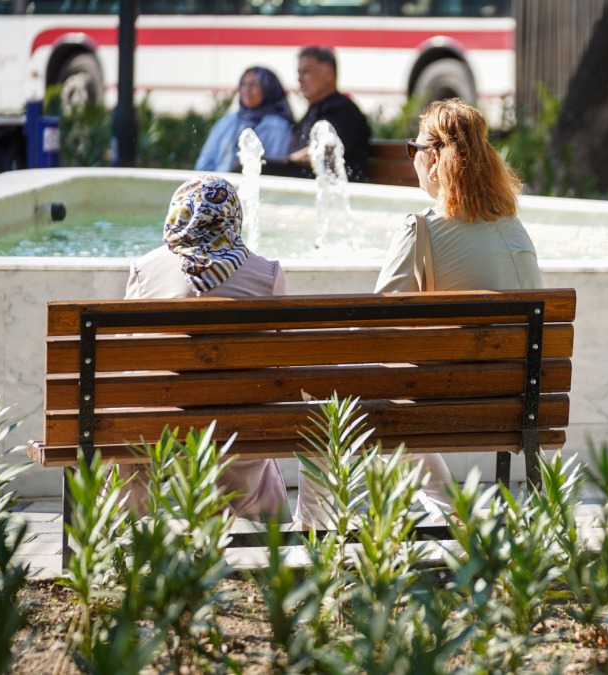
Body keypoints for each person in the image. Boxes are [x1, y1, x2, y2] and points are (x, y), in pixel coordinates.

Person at [295, 98, 543, 527]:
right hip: (523, 404)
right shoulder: (513, 226)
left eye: (414, 150)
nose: (412, 160)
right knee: (400, 390)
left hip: (446, 404)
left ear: (432, 158)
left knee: (326, 395)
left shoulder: (422, 227)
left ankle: (312, 528)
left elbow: (374, 333)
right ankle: (453, 512)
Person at [120, 175, 290, 520]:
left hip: (158, 440)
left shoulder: (145, 270)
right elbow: (282, 362)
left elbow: (124, 361)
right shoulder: (267, 274)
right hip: (241, 443)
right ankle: (269, 532)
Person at [283, 45, 371, 181]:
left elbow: (325, 149)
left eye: (306, 72)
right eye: (299, 73)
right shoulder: (314, 108)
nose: (299, 79)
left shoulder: (343, 109)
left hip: (342, 191)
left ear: (329, 74)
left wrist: (287, 161)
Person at [195, 67, 294, 172]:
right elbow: (204, 163)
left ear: (268, 88)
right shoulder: (227, 121)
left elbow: (274, 167)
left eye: (254, 84)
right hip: (219, 185)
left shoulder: (278, 126)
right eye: (243, 84)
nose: (247, 90)